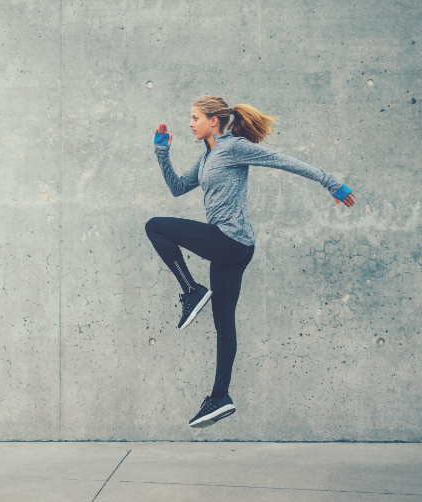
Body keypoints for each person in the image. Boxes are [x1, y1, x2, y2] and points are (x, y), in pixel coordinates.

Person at [146, 96, 357, 428]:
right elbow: (177, 188)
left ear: (214, 120)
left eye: (195, 118)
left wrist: (332, 182)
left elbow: (283, 161)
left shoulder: (234, 148)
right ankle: (220, 397)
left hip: (228, 240)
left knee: (155, 226)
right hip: (236, 247)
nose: (190, 123)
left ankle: (192, 291)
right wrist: (162, 151)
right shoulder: (207, 158)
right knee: (224, 323)